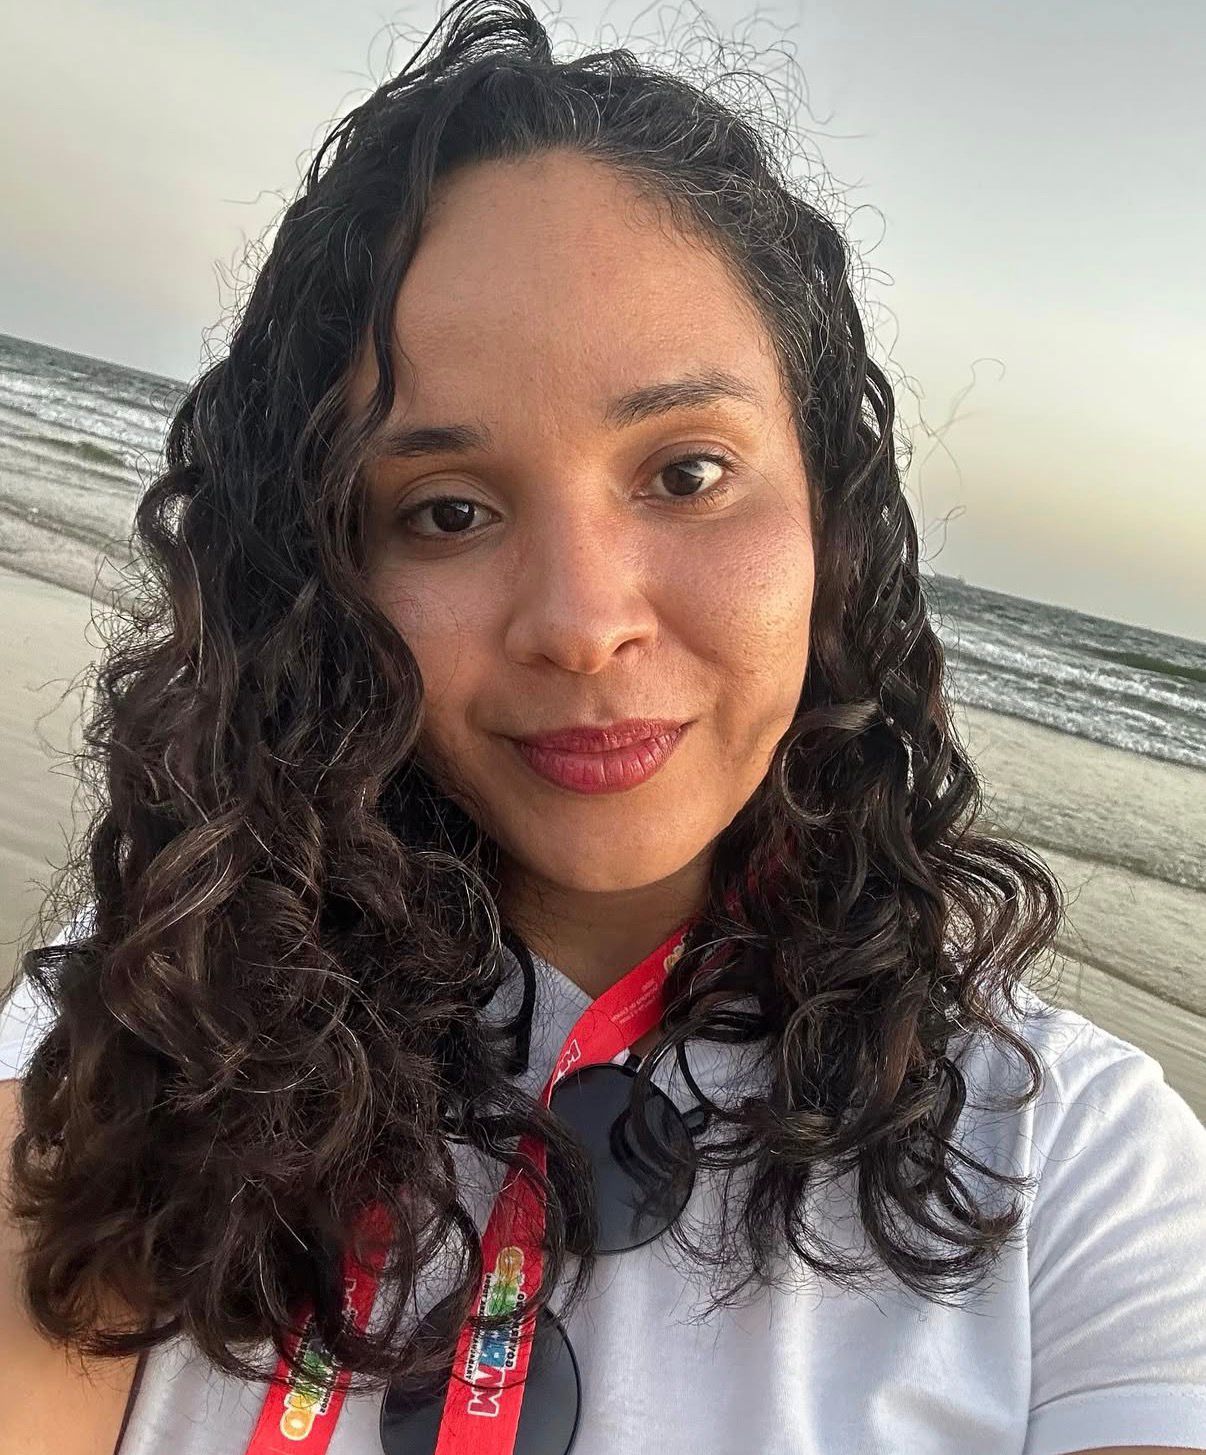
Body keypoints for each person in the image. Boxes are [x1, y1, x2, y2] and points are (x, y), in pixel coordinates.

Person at [2, 2, 1204, 1452]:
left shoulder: (1070, 1154)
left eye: (686, 472)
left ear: (830, 512)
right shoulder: (164, 1002)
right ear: (328, 573)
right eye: (448, 510)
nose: (578, 622)